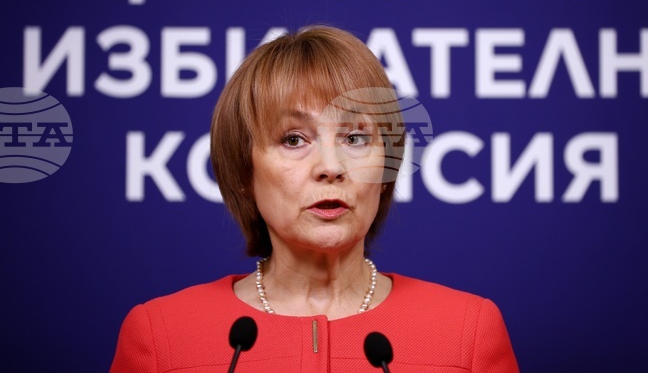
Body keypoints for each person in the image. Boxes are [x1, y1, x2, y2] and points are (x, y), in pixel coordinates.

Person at [111, 26, 519, 372]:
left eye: (355, 138)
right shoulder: (162, 336)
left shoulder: (466, 332)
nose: (331, 166)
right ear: (243, 172)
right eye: (293, 139)